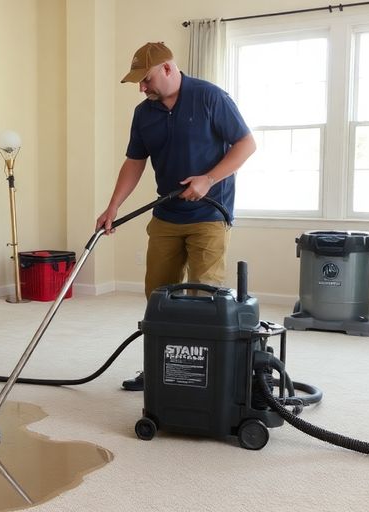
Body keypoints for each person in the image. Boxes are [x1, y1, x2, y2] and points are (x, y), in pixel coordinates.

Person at [96, 43, 256, 391]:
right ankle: (157, 366)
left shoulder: (210, 97)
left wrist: (209, 179)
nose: (142, 88)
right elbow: (134, 162)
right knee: (159, 297)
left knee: (204, 297)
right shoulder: (144, 114)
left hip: (210, 214)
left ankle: (203, 377)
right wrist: (113, 207)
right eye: (138, 82)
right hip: (167, 214)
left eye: (146, 79)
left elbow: (246, 144)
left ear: (167, 69)